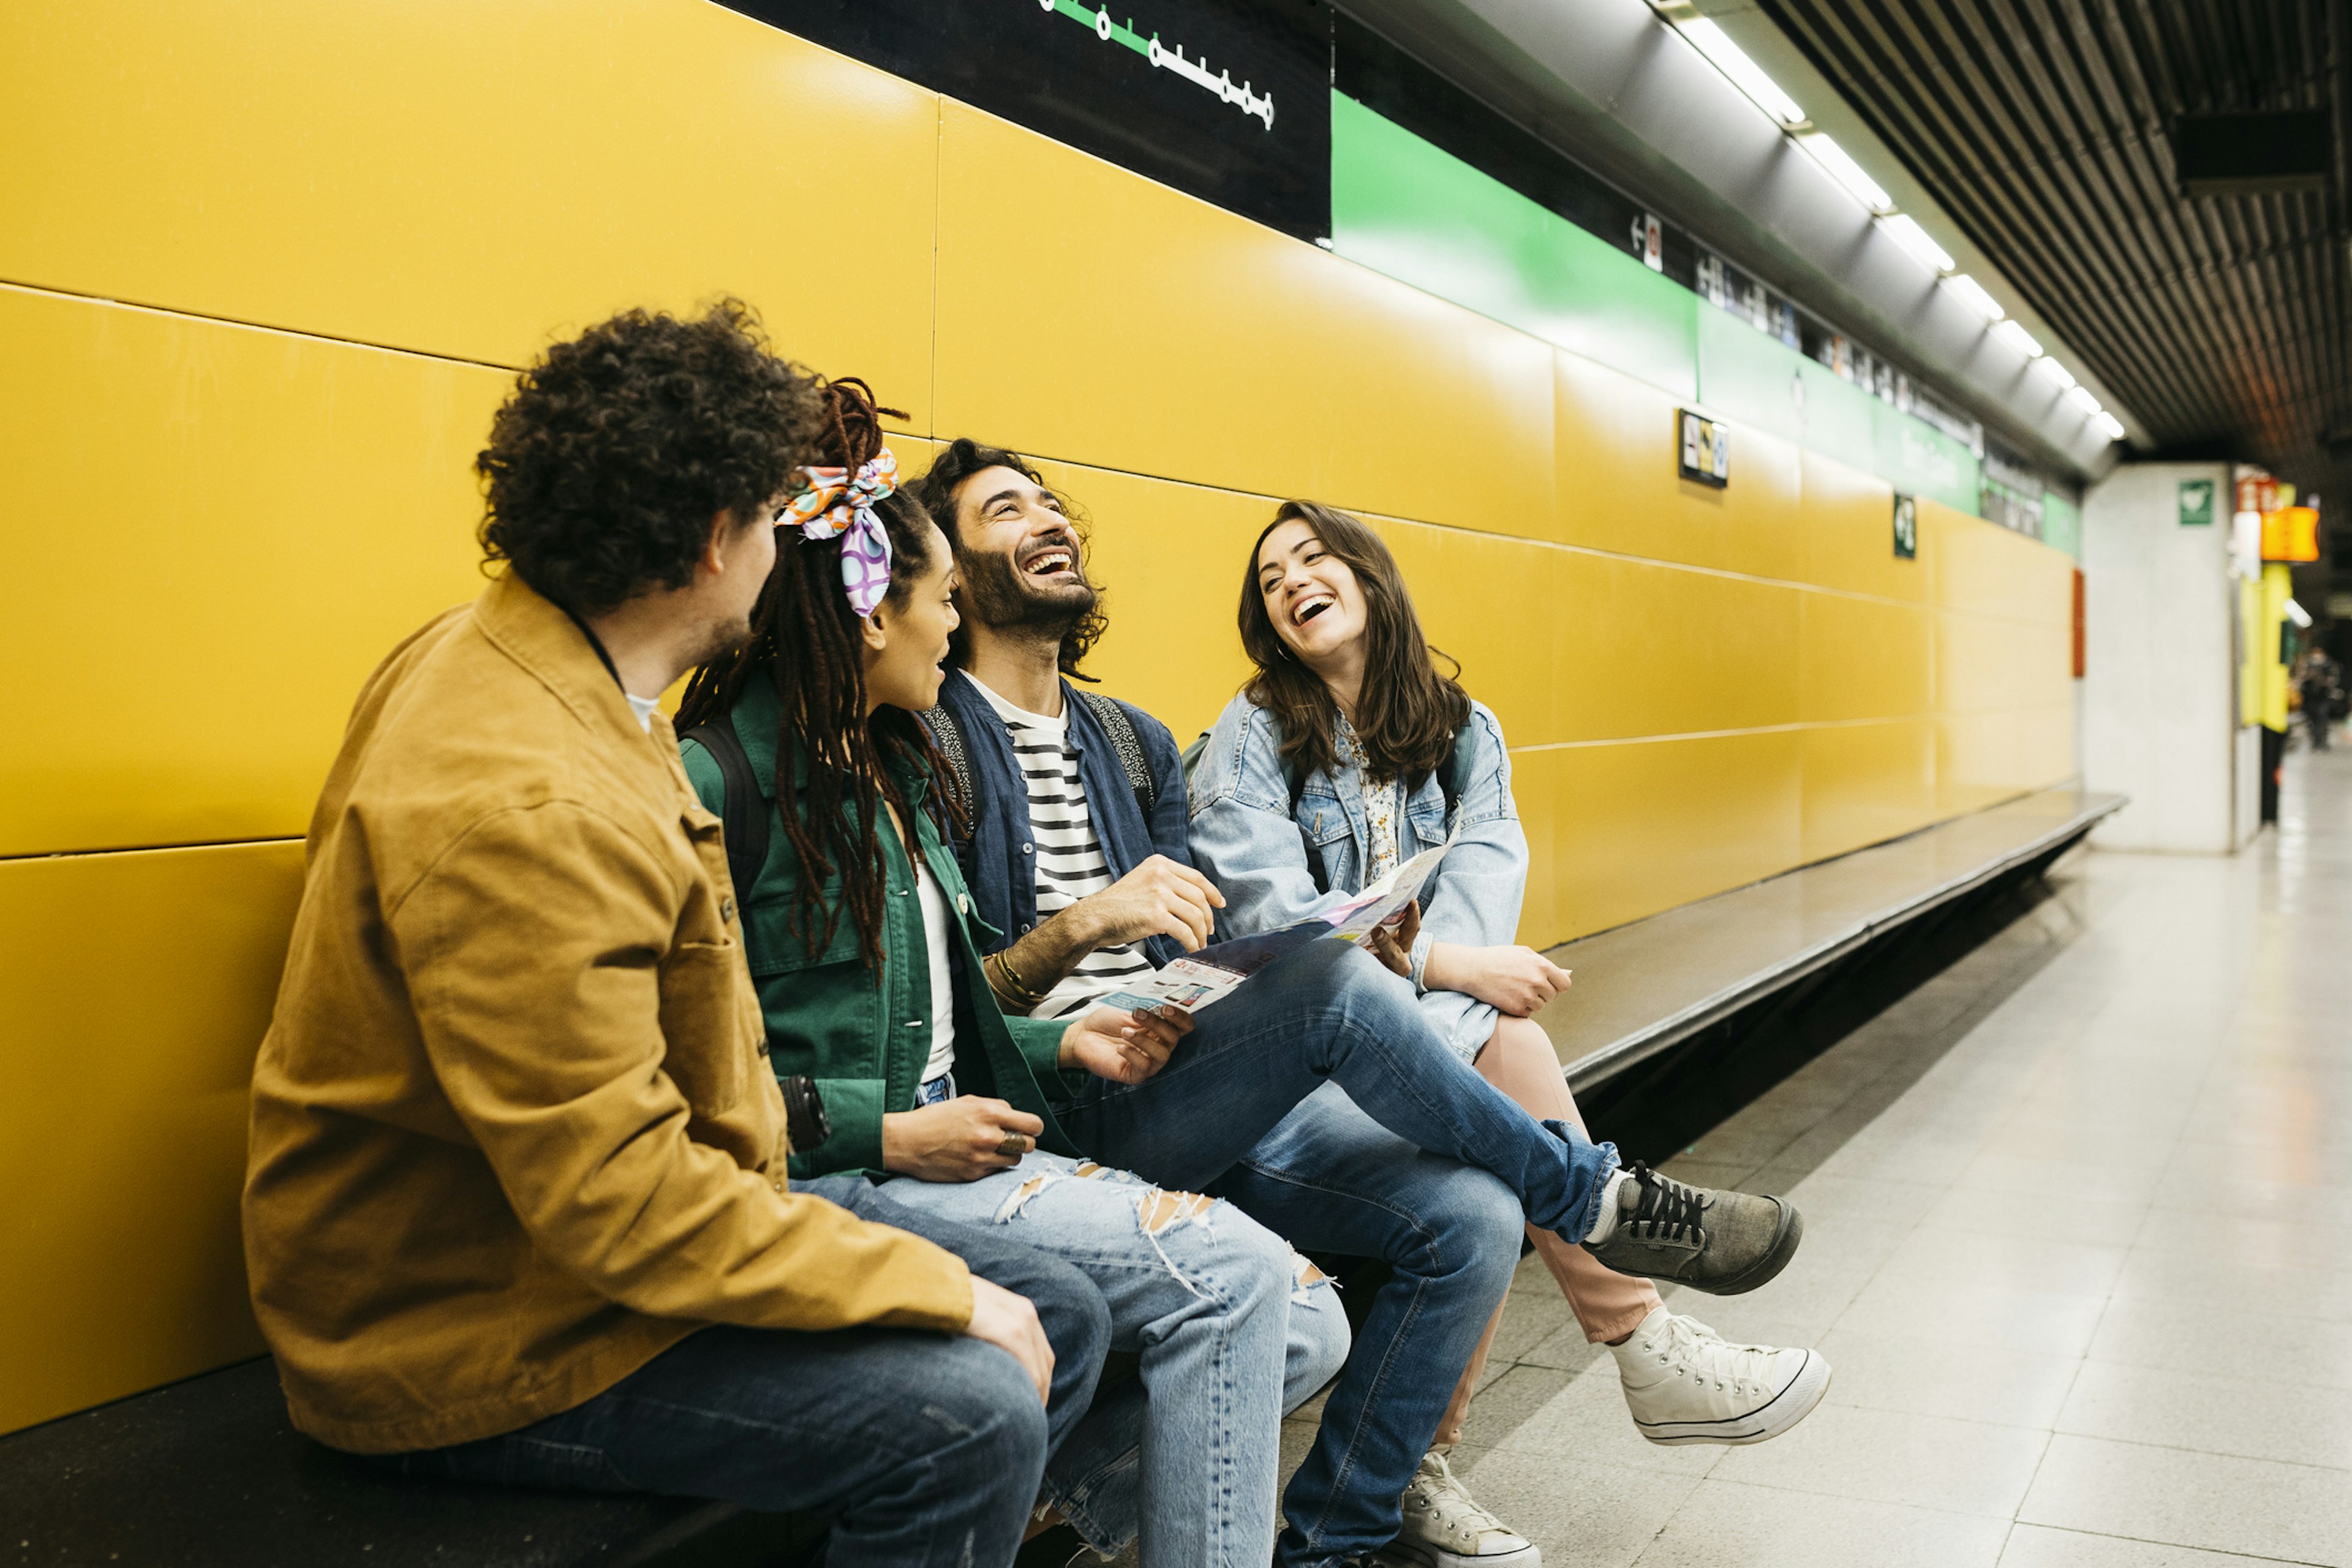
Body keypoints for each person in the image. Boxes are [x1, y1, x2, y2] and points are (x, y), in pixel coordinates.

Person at [242, 304, 1113, 1568]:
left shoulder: (528, 656)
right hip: (469, 1337)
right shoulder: (528, 800)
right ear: (718, 538)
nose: (791, 551)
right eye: (774, 518)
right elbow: (626, 1204)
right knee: (965, 1413)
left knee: (1063, 1319)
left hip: (577, 1267)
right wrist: (944, 1289)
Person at [910, 442, 1812, 1568]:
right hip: (1064, 1092)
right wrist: (1086, 932)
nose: (1049, 520)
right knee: (1346, 986)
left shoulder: (1133, 744)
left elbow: (1227, 945)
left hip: (1192, 1063)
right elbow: (945, 1008)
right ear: (946, 567)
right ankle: (1596, 1202)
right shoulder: (929, 735)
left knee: (1474, 1218)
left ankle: (1341, 1531)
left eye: (1053, 504)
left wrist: (1261, 974)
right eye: (1006, 510)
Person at [673, 379, 1352, 1568]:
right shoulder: (718, 778)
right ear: (872, 615)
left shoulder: (893, 765)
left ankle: (1045, 1497)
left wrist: (1061, 1043)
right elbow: (694, 1095)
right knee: (1245, 1282)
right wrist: (889, 1133)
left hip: (971, 1148)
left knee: (1304, 1317)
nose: (952, 626)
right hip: (855, 1176)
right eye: (939, 600)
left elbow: (939, 1016)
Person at [1190, 500, 1835, 1548]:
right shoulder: (1252, 736)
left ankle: (1426, 1468)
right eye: (1270, 579)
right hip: (1289, 1077)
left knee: (1494, 1095)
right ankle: (1636, 1336)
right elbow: (1277, 935)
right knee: (1505, 1054)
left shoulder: (1461, 731)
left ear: (1369, 575)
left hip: (1427, 1045)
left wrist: (1443, 1003)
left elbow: (1487, 904)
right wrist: (1440, 967)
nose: (1292, 581)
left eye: (1313, 558)